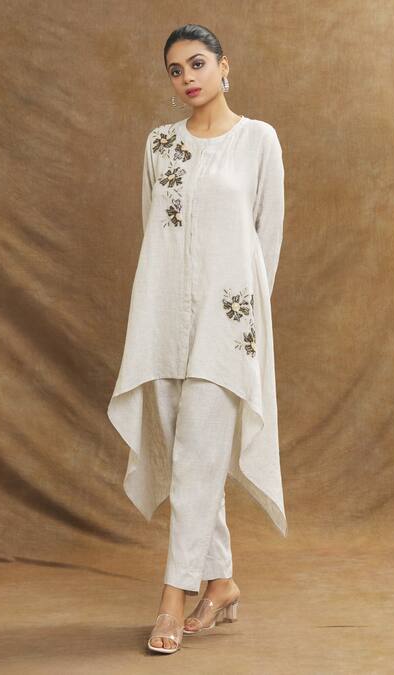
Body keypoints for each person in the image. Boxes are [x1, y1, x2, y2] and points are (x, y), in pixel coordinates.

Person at [107, 23, 287, 654]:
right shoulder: (160, 144)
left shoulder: (258, 140)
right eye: (175, 70)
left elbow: (267, 239)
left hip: (226, 323)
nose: (187, 77)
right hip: (161, 317)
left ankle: (172, 596)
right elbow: (155, 232)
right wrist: (159, 308)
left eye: (198, 63)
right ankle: (222, 583)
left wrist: (248, 321)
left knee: (196, 455)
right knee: (191, 457)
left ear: (224, 66)